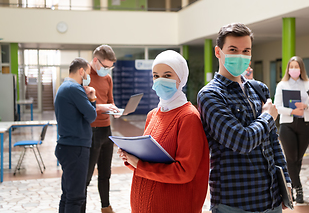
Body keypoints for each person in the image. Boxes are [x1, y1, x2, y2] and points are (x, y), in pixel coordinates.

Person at [197, 22, 291, 213]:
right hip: (234, 201)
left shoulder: (259, 89)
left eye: (246, 51)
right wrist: (267, 117)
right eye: (233, 50)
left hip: (271, 197)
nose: (240, 56)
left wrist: (286, 180)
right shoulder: (210, 95)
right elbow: (242, 141)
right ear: (218, 52)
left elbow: (273, 141)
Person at [118, 50, 209, 213]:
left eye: (167, 75)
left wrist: (138, 165)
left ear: (181, 79)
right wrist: (130, 157)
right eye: (155, 76)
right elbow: (147, 162)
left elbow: (185, 172)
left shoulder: (188, 117)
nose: (160, 81)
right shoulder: (153, 114)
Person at [54, 57, 97, 212]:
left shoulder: (64, 87)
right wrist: (92, 97)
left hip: (67, 147)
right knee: (76, 198)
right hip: (76, 148)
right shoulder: (74, 88)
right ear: (81, 71)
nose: (88, 77)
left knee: (68, 195)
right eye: (88, 73)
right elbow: (91, 116)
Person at [82, 45, 120, 213]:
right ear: (95, 61)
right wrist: (102, 107)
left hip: (106, 130)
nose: (107, 70)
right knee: (86, 176)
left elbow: (109, 100)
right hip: (90, 131)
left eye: (110, 67)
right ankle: (80, 208)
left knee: (106, 173)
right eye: (105, 67)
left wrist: (114, 110)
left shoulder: (107, 79)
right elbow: (82, 105)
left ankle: (106, 206)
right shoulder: (83, 76)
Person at [274, 56, 309, 203]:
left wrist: (305, 107)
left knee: (298, 159)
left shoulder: (308, 84)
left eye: (297, 67)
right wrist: (292, 111)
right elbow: (277, 106)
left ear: (301, 69)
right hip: (287, 125)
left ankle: (293, 186)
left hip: (305, 124)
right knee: (290, 159)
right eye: (292, 67)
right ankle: (298, 188)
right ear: (288, 69)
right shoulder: (282, 85)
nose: (294, 69)